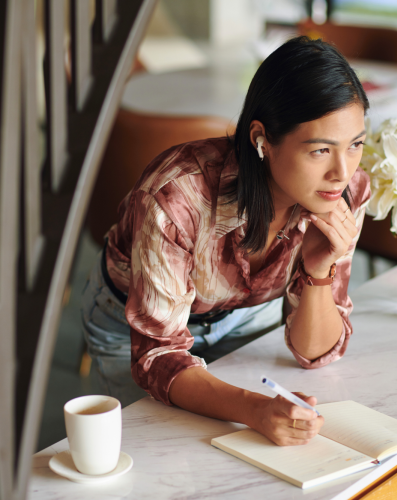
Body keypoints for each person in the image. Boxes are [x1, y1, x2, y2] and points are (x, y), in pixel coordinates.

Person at [81, 36, 370, 446]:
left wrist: (319, 270)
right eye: (320, 150)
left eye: (355, 144)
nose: (342, 172)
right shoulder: (177, 197)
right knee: (155, 455)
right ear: (261, 139)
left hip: (245, 314)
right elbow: (157, 356)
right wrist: (254, 409)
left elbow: (316, 353)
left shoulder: (345, 193)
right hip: (136, 322)